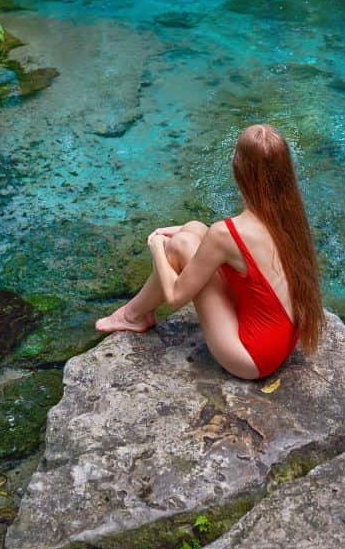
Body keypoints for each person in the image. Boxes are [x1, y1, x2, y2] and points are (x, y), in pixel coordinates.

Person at [95, 123, 324, 379]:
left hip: (252, 357)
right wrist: (192, 231)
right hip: (282, 339)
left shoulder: (225, 234)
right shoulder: (288, 217)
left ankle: (132, 315)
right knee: (193, 228)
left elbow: (175, 298)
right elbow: (230, 246)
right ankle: (135, 313)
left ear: (239, 169)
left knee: (180, 244)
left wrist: (157, 246)